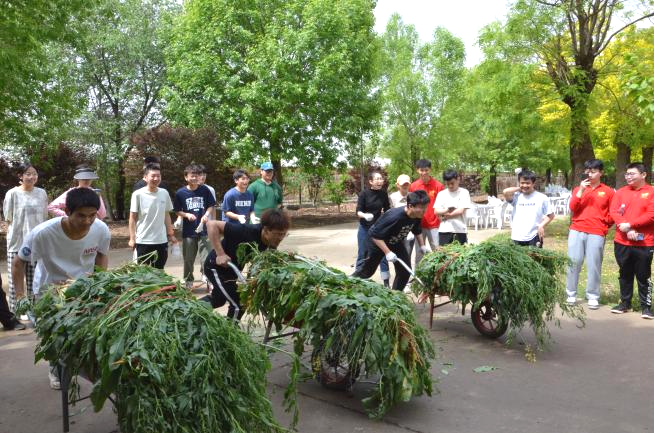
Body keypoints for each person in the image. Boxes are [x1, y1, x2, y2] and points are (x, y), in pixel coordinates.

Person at [12, 187, 110, 389]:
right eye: (81, 215)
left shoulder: (101, 230)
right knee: (56, 335)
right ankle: (57, 369)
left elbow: (101, 255)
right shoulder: (43, 233)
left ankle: (78, 366)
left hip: (82, 291)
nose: (87, 221)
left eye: (92, 215)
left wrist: (99, 282)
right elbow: (18, 263)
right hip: (49, 292)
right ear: (67, 212)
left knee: (82, 332)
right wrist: (21, 295)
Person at [202, 209, 290, 320]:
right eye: (278, 234)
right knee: (239, 304)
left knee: (218, 300)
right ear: (266, 230)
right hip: (216, 267)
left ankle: (187, 310)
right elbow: (211, 224)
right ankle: (231, 329)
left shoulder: (270, 243)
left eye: (284, 234)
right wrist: (220, 254)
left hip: (231, 272)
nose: (281, 238)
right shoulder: (245, 231)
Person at [353, 190, 431, 291]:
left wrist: (422, 246)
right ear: (410, 206)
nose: (424, 211)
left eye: (425, 207)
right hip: (376, 243)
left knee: (404, 272)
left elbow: (417, 230)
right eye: (421, 208)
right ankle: (345, 285)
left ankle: (396, 296)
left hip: (395, 243)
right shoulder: (394, 216)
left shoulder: (417, 215)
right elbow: (375, 235)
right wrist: (387, 252)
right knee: (366, 272)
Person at [565, 159, 615, 309]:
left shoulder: (608, 191)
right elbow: (572, 207)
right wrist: (581, 190)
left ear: (601, 173)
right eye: (587, 171)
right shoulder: (578, 189)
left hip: (596, 231)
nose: (590, 174)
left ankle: (593, 296)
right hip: (576, 229)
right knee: (573, 263)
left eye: (593, 171)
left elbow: (613, 213)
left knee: (594, 265)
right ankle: (571, 294)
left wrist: (604, 224)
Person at [609, 163, 654, 319]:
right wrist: (627, 229)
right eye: (627, 174)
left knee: (643, 275)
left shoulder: (651, 192)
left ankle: (646, 307)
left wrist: (631, 225)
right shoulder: (621, 192)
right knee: (624, 273)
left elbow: (651, 215)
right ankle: (625, 303)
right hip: (622, 241)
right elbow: (614, 212)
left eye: (632, 174)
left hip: (644, 242)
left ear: (643, 175)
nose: (628, 177)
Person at [3, 163, 48, 311]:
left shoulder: (42, 193)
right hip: (17, 242)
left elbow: (44, 218)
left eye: (34, 174)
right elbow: (8, 217)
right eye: (28, 174)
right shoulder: (12, 193)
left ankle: (34, 311)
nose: (32, 177)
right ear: (20, 176)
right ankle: (16, 311)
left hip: (36, 242)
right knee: (15, 281)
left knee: (35, 280)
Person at [174, 164, 216, 289]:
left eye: (197, 175)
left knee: (207, 257)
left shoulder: (205, 190)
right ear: (186, 177)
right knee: (188, 258)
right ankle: (188, 280)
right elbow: (177, 210)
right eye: (192, 176)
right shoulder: (180, 193)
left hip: (205, 229)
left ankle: (208, 279)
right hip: (189, 231)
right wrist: (186, 214)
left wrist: (206, 215)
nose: (195, 178)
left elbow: (211, 205)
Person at [128, 163, 177, 269]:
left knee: (159, 270)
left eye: (158, 176)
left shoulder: (164, 193)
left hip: (161, 240)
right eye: (153, 176)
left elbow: (166, 215)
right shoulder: (138, 194)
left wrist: (171, 234)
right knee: (142, 272)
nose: (156, 178)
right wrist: (132, 238)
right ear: (145, 177)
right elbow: (132, 218)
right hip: (143, 240)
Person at [354, 172, 391, 287]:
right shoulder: (364, 194)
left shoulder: (383, 194)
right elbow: (358, 211)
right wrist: (364, 215)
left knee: (382, 254)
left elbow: (387, 210)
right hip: (365, 228)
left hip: (377, 229)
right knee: (363, 253)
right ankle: (357, 280)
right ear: (371, 181)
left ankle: (386, 282)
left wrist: (386, 222)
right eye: (377, 179)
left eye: (381, 179)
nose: (380, 181)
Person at [503, 170, 555, 247]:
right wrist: (520, 188)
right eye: (522, 183)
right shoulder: (516, 196)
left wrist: (541, 225)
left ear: (533, 183)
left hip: (534, 236)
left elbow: (551, 215)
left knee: (534, 255)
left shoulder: (542, 198)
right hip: (517, 236)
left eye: (528, 183)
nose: (525, 185)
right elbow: (505, 192)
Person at [409, 159, 444, 267]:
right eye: (421, 170)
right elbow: (411, 205)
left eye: (426, 170)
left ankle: (438, 274)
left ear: (430, 170)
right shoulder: (413, 186)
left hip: (435, 224)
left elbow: (442, 205)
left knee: (438, 252)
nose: (424, 173)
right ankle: (417, 275)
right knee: (419, 253)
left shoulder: (438, 186)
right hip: (418, 225)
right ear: (417, 170)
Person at [433, 169, 472, 245]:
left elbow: (461, 210)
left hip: (460, 230)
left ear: (458, 179)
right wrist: (447, 210)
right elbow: (436, 211)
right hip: (444, 230)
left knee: (461, 252)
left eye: (452, 183)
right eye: (448, 184)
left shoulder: (464, 192)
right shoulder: (441, 194)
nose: (450, 186)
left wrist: (446, 215)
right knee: (443, 252)